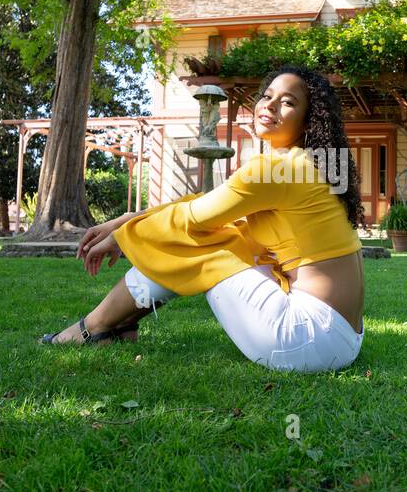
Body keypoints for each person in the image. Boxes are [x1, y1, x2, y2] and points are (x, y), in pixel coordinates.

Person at [41, 65, 367, 373]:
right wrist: (126, 219)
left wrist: (124, 233)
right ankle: (116, 324)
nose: (270, 106)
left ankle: (93, 327)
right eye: (267, 96)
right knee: (226, 236)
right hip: (345, 339)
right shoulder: (305, 164)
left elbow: (193, 219)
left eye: (288, 103)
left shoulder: (277, 170)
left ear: (309, 120)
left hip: (307, 341)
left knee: (201, 241)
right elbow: (206, 204)